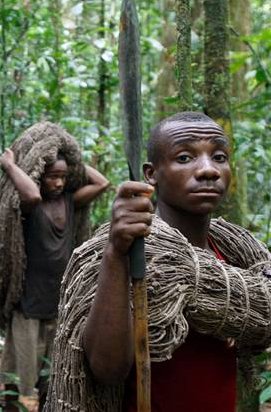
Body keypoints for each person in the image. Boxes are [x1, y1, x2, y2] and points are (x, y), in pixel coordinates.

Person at [81, 111, 243, 411]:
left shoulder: (234, 260)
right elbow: (107, 370)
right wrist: (116, 253)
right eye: (184, 158)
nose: (209, 170)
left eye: (219, 156)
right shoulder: (129, 254)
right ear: (151, 174)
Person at [0, 148, 110, 410]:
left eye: (63, 176)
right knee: (20, 373)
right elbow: (32, 195)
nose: (58, 183)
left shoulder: (70, 201)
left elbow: (102, 183)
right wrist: (11, 166)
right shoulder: (30, 206)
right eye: (51, 176)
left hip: (59, 302)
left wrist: (74, 155)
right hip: (28, 302)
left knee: (51, 374)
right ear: (40, 176)